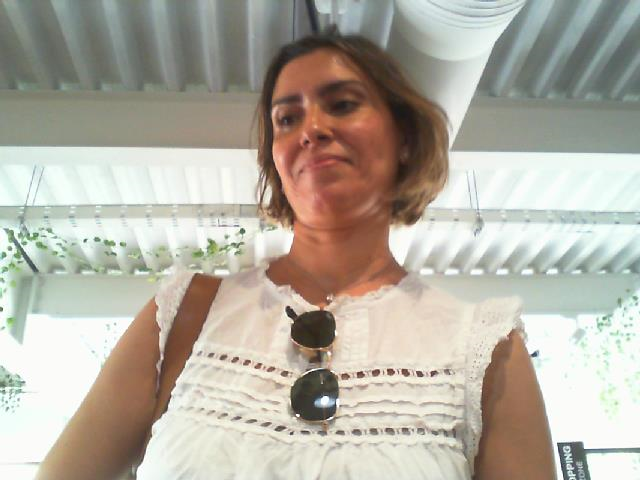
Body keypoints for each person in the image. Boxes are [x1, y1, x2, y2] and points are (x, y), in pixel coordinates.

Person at [36, 29, 556, 480]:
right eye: (287, 118)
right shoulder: (184, 314)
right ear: (277, 162)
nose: (311, 130)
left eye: (343, 104)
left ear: (403, 138)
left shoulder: (485, 350)